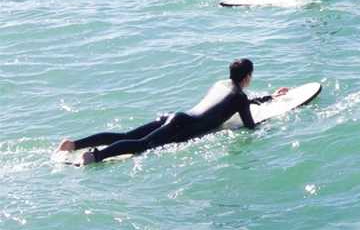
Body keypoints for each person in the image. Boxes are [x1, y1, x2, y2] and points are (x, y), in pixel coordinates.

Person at [56, 59, 290, 165]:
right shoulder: (239, 97)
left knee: (125, 134)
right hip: (182, 127)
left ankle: (74, 144)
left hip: (175, 116)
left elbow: (240, 102)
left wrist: (270, 97)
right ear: (248, 77)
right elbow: (250, 125)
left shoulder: (222, 84)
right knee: (142, 145)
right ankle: (96, 156)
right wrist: (270, 121)